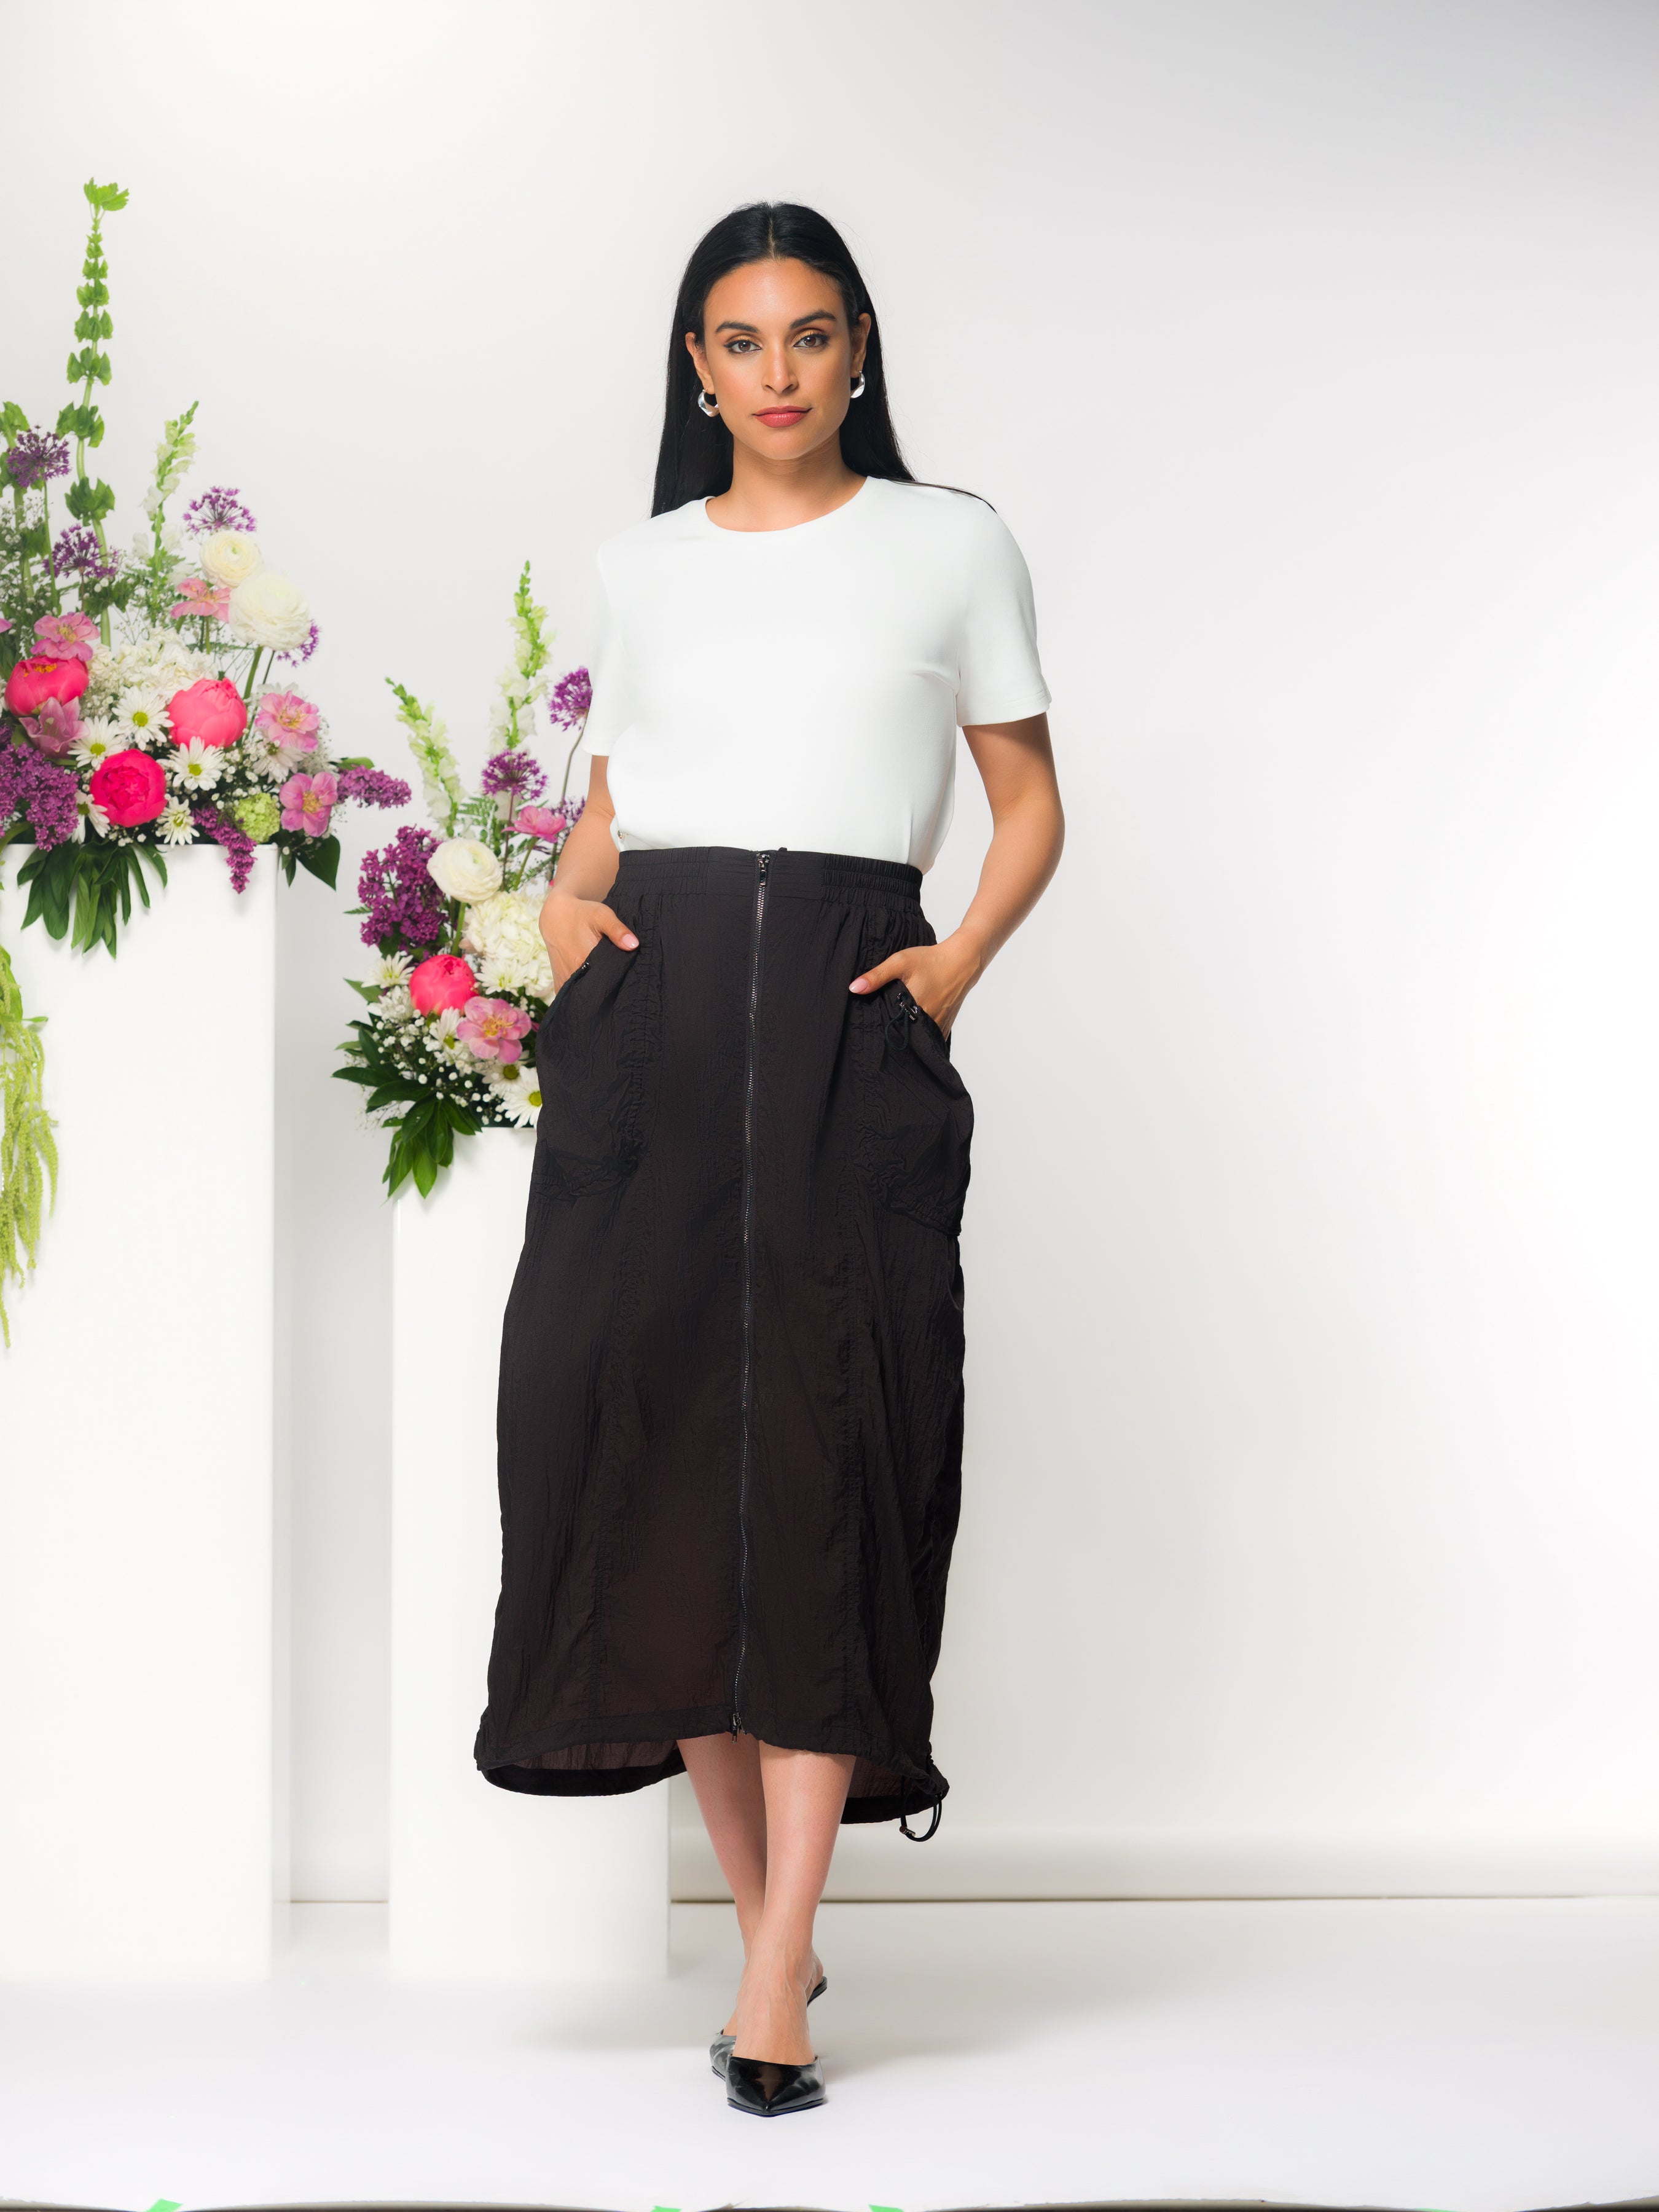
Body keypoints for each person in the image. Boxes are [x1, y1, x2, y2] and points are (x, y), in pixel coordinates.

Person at [474, 202, 1064, 2117]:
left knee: (826, 1454)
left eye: (813, 336)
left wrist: (953, 963)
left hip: (843, 1020)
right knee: (650, 1460)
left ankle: (772, 1992)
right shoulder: (635, 565)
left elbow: (1027, 798)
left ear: (861, 348)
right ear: (696, 368)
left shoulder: (950, 543)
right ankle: (768, 1940)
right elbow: (614, 790)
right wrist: (569, 913)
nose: (781, 373)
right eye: (742, 342)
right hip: (653, 1037)